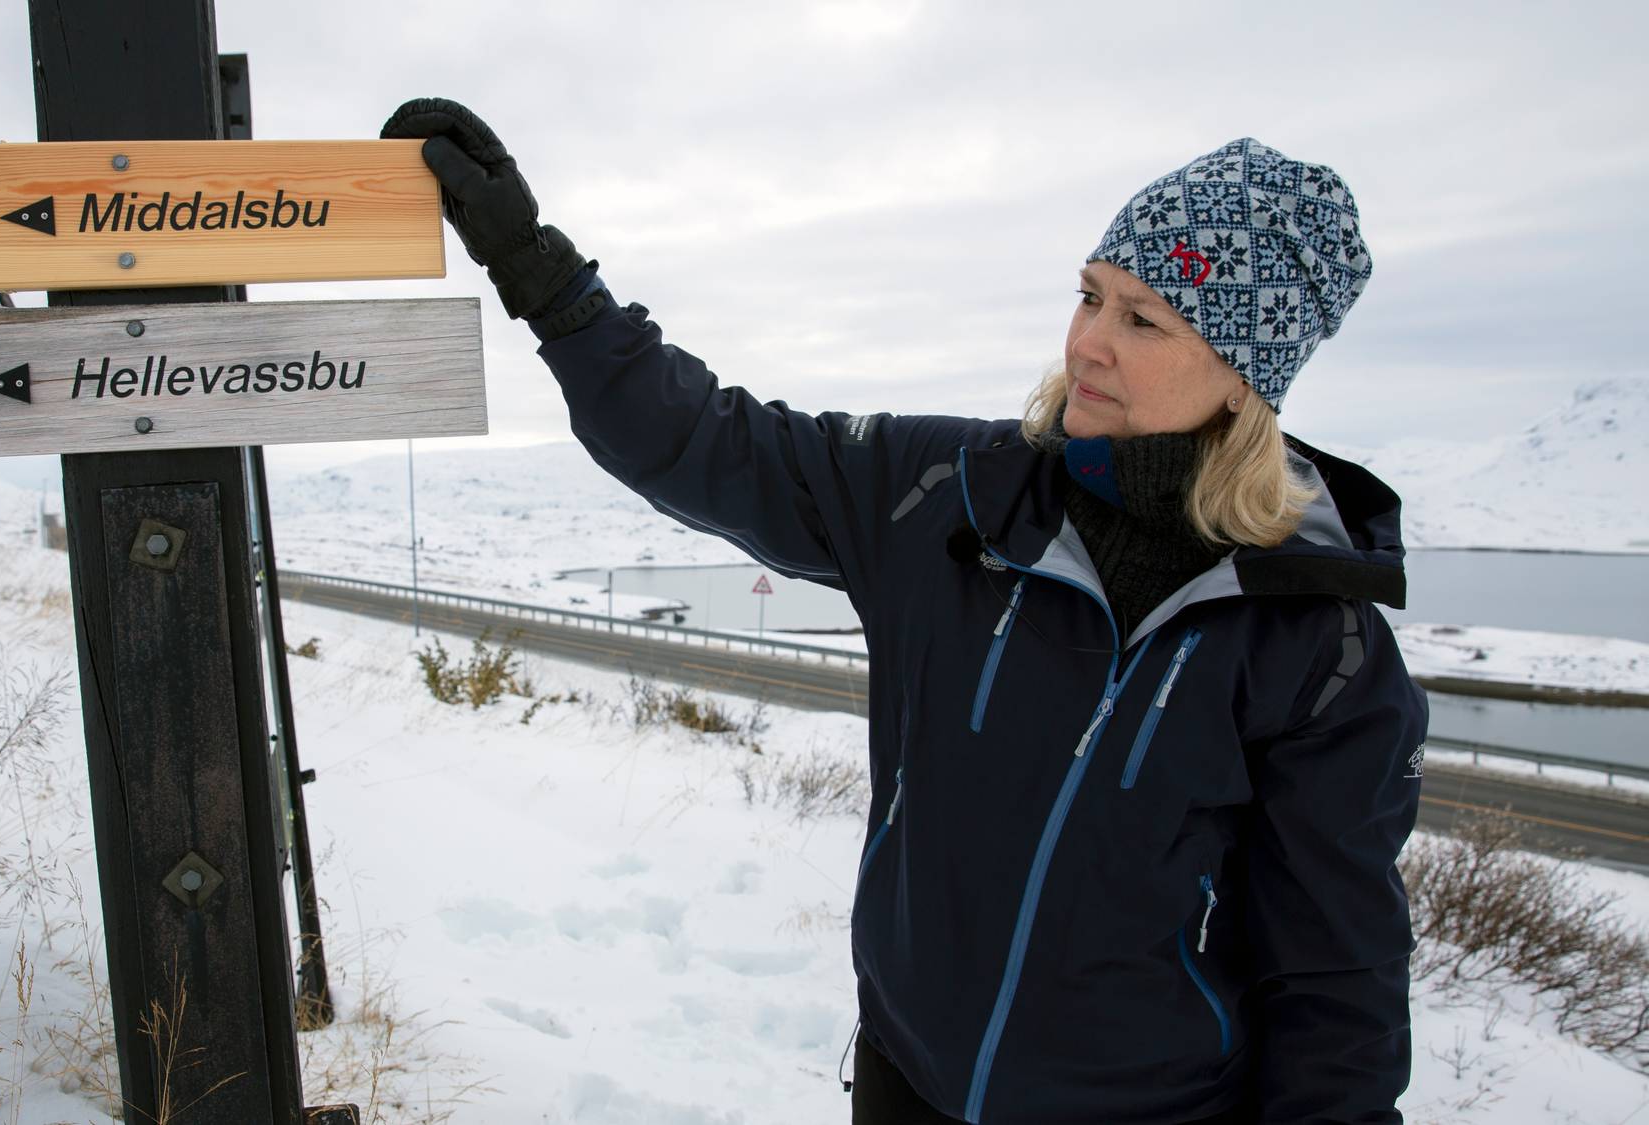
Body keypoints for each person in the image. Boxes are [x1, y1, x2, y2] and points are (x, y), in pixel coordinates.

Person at [382, 98, 1428, 1124]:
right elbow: (698, 440)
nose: (1086, 344)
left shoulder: (1316, 643)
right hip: (904, 1082)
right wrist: (537, 273)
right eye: (1088, 295)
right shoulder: (947, 494)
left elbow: (1334, 986)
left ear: (1244, 377)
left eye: (1142, 318)